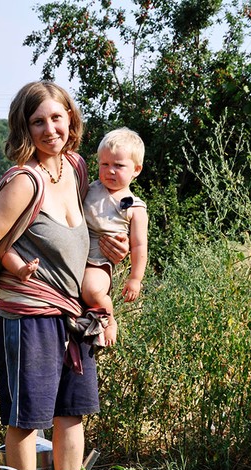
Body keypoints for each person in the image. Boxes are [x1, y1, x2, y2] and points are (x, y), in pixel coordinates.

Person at [0, 81, 128, 470]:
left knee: (71, 416)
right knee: (25, 421)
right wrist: (6, 287)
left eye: (57, 117)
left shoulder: (74, 167)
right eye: (37, 121)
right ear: (24, 128)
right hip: (30, 320)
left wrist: (114, 247)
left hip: (74, 318)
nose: (49, 128)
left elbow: (92, 230)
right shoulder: (24, 181)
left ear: (70, 118)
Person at [82, 127, 149, 346]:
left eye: (119, 166)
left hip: (99, 260)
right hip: (76, 252)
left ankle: (109, 319)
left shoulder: (135, 208)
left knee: (92, 290)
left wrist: (135, 278)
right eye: (105, 164)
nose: (110, 171)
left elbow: (139, 246)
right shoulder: (89, 189)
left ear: (136, 170)